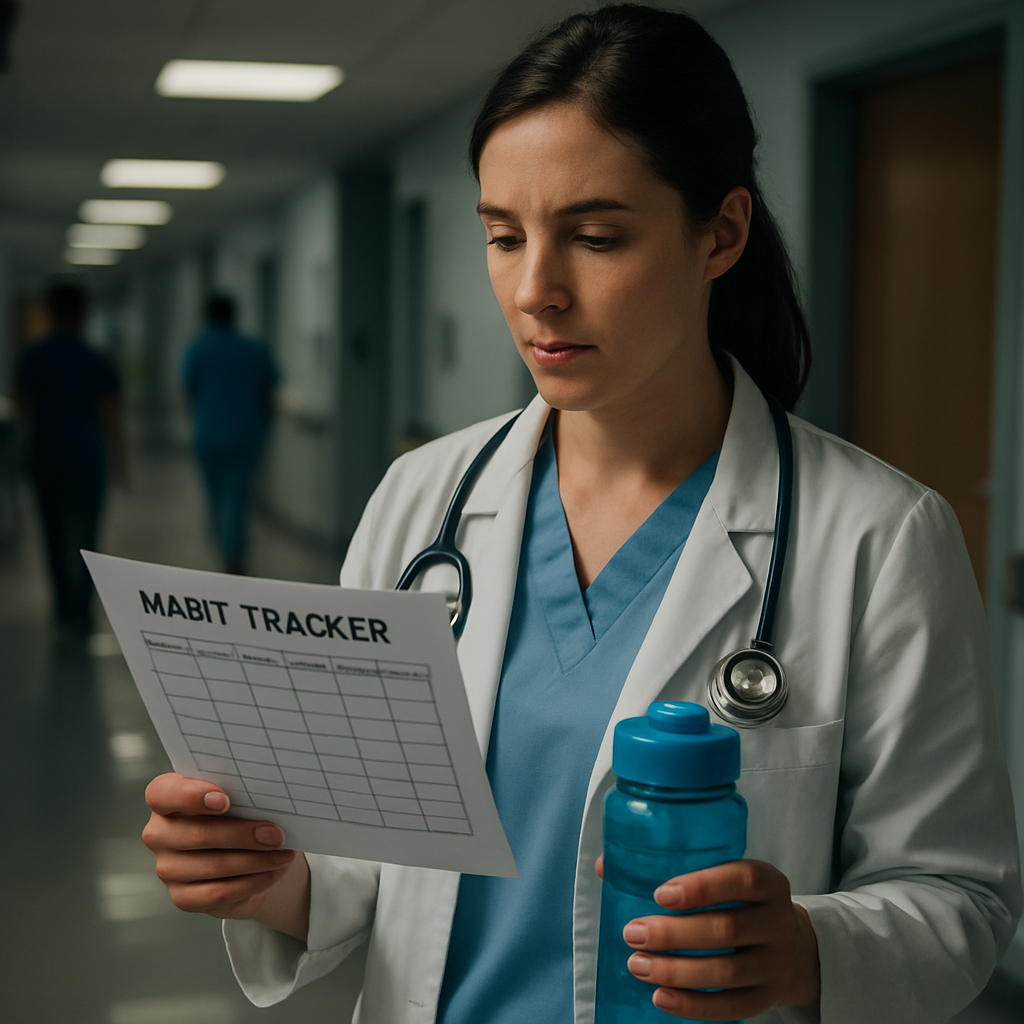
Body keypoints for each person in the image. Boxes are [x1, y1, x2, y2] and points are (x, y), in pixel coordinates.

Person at [142, 6, 1021, 1023]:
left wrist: (807, 948)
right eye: (503, 236)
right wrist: (261, 873)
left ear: (720, 233)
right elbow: (367, 858)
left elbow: (960, 900)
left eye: (594, 237)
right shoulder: (422, 500)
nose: (534, 291)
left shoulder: (875, 536)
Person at [15, 282, 125, 631]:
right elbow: (109, 415)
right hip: (86, 461)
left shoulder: (34, 357)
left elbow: (24, 412)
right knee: (86, 538)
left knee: (53, 535)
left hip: (46, 459)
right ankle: (82, 609)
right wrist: (120, 462)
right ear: (83, 314)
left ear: (49, 312)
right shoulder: (95, 358)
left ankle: (63, 607)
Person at [181, 294, 279, 574]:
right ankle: (232, 552)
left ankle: (228, 550)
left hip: (209, 435)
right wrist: (262, 428)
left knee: (215, 496)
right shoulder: (255, 349)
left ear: (208, 316)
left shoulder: (197, 348)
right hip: (247, 435)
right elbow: (269, 396)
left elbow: (188, 392)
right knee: (236, 497)